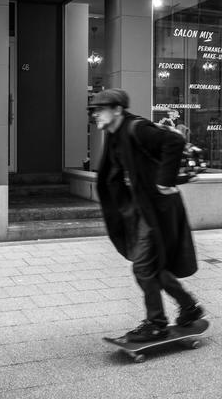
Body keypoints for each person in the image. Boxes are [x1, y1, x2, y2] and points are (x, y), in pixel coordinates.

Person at [87, 88, 204, 342]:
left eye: (100, 109)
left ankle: (156, 323)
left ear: (117, 109)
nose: (95, 114)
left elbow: (173, 142)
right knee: (153, 266)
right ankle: (189, 307)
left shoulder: (136, 128)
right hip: (142, 210)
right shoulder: (114, 134)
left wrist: (163, 181)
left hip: (157, 209)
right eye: (93, 110)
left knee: (142, 267)